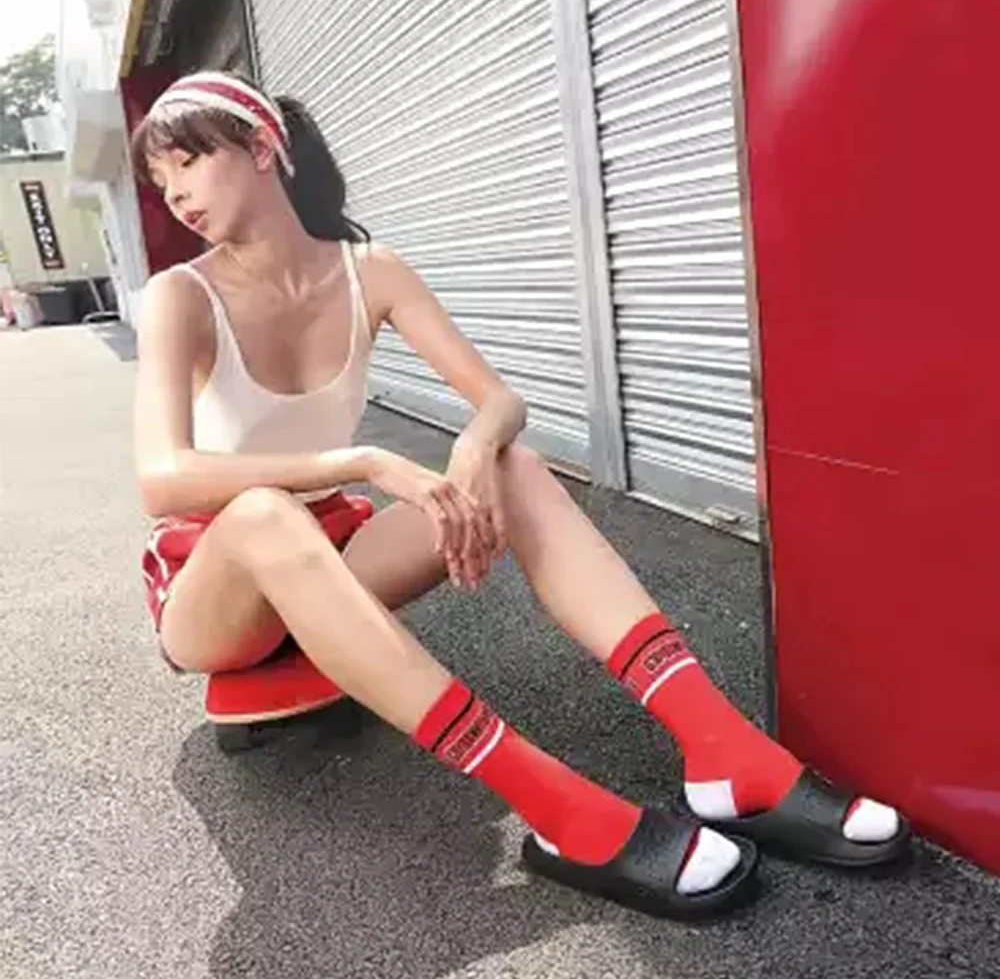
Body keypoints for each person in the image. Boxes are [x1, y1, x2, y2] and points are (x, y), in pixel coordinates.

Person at [131, 71, 910, 920]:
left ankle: (724, 752)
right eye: (160, 180)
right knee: (264, 514)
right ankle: (559, 811)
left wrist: (474, 444)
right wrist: (362, 460)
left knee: (518, 467)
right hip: (220, 588)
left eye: (187, 163)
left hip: (334, 557)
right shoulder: (181, 295)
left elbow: (499, 399)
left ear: (261, 147)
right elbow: (160, 478)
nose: (175, 194)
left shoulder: (369, 272)